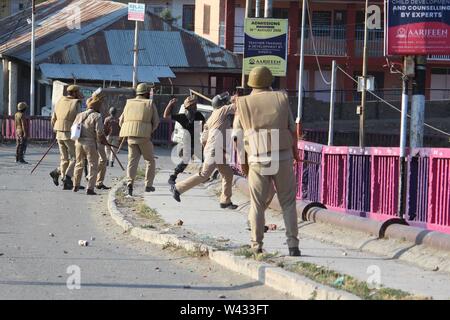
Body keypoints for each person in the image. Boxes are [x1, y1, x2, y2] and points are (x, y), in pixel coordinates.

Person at [233, 66, 301, 256]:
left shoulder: (242, 103)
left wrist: (243, 162)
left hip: (257, 157)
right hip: (283, 156)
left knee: (257, 203)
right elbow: (292, 129)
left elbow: (237, 136)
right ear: (270, 81)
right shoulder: (282, 98)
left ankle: (257, 245)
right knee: (288, 202)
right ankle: (293, 246)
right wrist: (295, 154)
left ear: (250, 83)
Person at [170, 93, 238, 210]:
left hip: (215, 150)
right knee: (204, 174)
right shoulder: (222, 110)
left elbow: (204, 139)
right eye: (225, 102)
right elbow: (236, 107)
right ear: (222, 104)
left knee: (228, 174)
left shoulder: (211, 117)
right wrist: (236, 99)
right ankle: (178, 188)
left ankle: (225, 201)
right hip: (214, 150)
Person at [119, 83, 160, 196]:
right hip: (144, 137)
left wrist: (128, 130)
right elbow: (156, 122)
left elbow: (120, 121)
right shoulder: (150, 103)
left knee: (132, 162)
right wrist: (149, 130)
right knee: (150, 161)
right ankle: (148, 185)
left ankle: (129, 185)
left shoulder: (129, 103)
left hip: (130, 137)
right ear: (146, 93)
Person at [163, 95, 205, 185]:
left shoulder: (199, 115)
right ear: (188, 107)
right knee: (186, 160)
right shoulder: (182, 117)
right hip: (188, 140)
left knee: (205, 159)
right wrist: (170, 105)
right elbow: (165, 116)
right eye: (193, 105)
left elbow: (204, 127)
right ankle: (173, 176)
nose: (195, 107)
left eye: (195, 105)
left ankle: (205, 176)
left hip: (197, 140)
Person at [72, 92, 108, 195]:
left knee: (79, 164)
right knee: (93, 165)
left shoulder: (80, 115)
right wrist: (103, 140)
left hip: (78, 142)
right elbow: (99, 132)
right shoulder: (97, 116)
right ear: (98, 106)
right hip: (90, 143)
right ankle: (90, 188)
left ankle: (76, 185)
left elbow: (74, 127)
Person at [50, 85, 83, 190]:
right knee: (76, 157)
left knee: (64, 158)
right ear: (74, 93)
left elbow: (53, 118)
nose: (79, 93)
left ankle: (62, 178)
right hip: (70, 133)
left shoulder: (59, 101)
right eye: (78, 92)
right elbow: (79, 120)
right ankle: (67, 178)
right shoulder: (76, 103)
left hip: (58, 133)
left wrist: (56, 130)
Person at [94, 90, 111, 190]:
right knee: (102, 159)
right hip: (96, 138)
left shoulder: (98, 107)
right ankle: (95, 179)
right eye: (102, 98)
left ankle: (99, 182)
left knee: (100, 160)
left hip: (94, 138)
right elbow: (98, 129)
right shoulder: (96, 108)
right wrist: (103, 138)